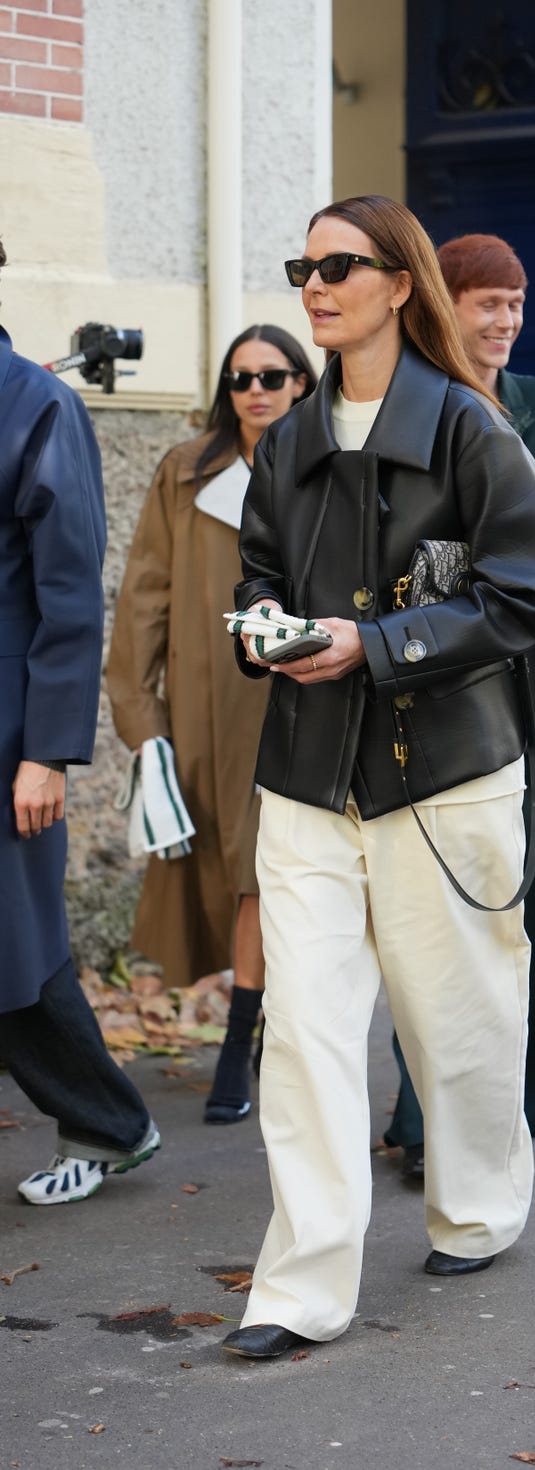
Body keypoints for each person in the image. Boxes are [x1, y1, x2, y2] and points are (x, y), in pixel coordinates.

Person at [220, 195, 535, 1361]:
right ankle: (299, 1288)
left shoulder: (478, 434)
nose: (314, 285)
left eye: (340, 265)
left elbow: (522, 598)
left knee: (459, 1026)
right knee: (308, 1032)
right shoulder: (284, 441)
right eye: (303, 266)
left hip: (451, 773)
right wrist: (260, 628)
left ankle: (478, 1206)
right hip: (309, 778)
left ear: (398, 283)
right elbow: (257, 574)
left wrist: (374, 646)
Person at [384, 233, 535, 1165]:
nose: (505, 320)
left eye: (516, 302)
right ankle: (425, 1117)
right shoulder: (408, 402)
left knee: (529, 904)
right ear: (445, 303)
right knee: (434, 909)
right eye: (486, 303)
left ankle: (519, 1107)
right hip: (438, 687)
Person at [106, 326, 316, 1123]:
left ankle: (243, 1039)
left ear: (301, 381)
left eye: (271, 375)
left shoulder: (328, 464)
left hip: (301, 692)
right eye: (238, 378)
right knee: (232, 874)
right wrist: (139, 711)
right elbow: (144, 594)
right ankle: (248, 1032)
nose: (255, 390)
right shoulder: (185, 471)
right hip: (205, 701)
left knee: (269, 875)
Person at [0, 236, 160, 1204]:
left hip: (9, 730)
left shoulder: (37, 403)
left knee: (19, 944)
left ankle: (111, 1125)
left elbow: (68, 594)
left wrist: (50, 753)